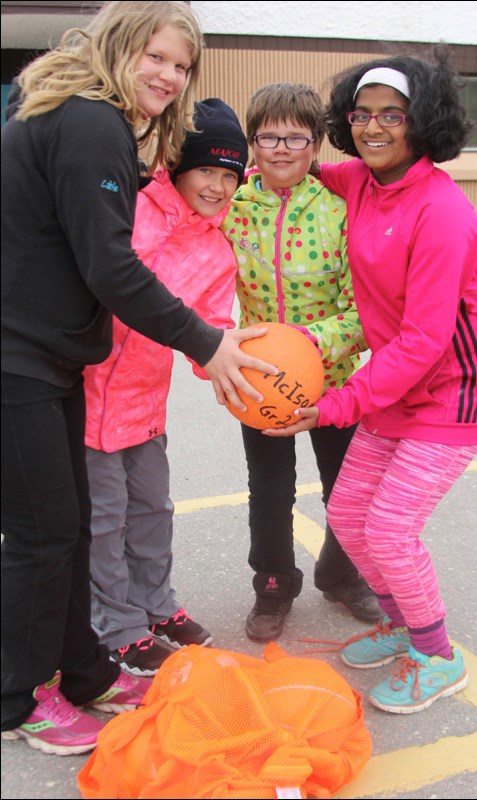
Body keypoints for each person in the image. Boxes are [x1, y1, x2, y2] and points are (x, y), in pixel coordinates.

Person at [1, 1, 277, 756]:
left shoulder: (89, 121)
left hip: (51, 355)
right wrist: (207, 342)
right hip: (17, 355)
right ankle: (19, 698)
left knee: (67, 529)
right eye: (155, 56)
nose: (167, 74)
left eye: (181, 65)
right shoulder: (92, 122)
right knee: (42, 536)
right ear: (119, 45)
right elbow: (112, 265)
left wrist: (216, 350)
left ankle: (86, 672)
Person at [264, 50, 477, 713]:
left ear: (420, 120)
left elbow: (426, 343)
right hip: (403, 383)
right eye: (362, 114)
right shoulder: (363, 182)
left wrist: (335, 405)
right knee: (349, 516)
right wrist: (256, 152)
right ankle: (404, 627)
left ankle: (437, 656)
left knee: (391, 528)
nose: (373, 128)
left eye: (392, 116)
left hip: (458, 390)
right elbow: (305, 165)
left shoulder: (443, 212)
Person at [85, 97, 248, 677]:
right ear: (177, 165)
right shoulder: (128, 208)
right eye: (208, 169)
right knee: (103, 523)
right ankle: (117, 626)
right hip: (83, 402)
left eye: (230, 175)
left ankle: (155, 606)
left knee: (153, 510)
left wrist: (241, 370)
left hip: (144, 407)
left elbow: (210, 336)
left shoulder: (215, 250)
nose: (218, 186)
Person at [222, 82, 381, 643]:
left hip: (332, 381)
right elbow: (201, 284)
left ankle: (340, 574)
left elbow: (363, 309)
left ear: (316, 145)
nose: (283, 149)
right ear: (253, 142)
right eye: (270, 136)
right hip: (259, 384)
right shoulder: (233, 210)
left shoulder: (339, 212)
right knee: (268, 489)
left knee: (345, 487)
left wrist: (306, 344)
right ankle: (272, 584)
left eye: (297, 137)